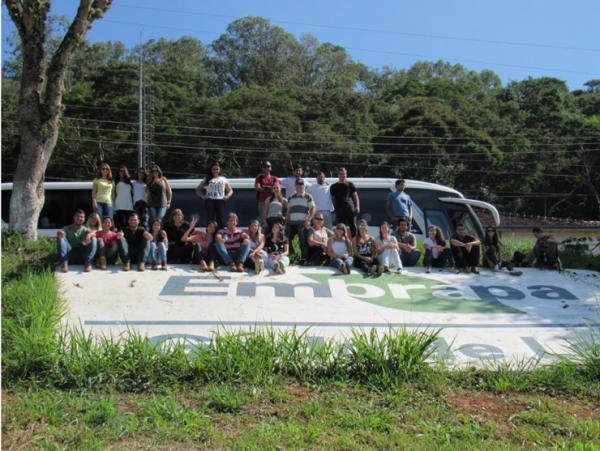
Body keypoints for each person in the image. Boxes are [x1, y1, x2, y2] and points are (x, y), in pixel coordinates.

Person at [196, 162, 233, 229]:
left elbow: (230, 190)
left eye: (217, 169)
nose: (215, 171)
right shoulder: (207, 179)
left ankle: (220, 235)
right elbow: (198, 189)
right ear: (211, 170)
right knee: (210, 219)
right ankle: (210, 235)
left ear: (219, 170)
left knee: (221, 219)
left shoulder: (223, 179)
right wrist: (203, 196)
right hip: (210, 200)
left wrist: (227, 196)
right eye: (213, 169)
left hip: (220, 200)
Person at [285, 178, 315, 261]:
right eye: (298, 184)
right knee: (287, 240)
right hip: (291, 223)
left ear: (304, 186)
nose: (300, 186)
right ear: (295, 186)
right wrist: (286, 222)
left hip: (303, 223)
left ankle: (304, 259)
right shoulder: (290, 197)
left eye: (302, 185)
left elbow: (313, 209)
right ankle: (292, 256)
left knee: (303, 241)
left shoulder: (308, 196)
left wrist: (309, 220)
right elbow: (288, 211)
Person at [330, 167, 360, 237]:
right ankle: (341, 244)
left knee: (353, 226)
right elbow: (330, 198)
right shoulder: (334, 186)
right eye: (341, 174)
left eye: (344, 174)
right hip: (339, 209)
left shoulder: (350, 184)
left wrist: (357, 206)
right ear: (338, 175)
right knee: (340, 228)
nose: (342, 175)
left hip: (350, 208)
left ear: (346, 174)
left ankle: (355, 244)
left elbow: (355, 196)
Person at [114, 165, 134, 230]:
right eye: (120, 171)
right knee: (121, 224)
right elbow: (114, 194)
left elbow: (133, 193)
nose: (121, 172)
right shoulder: (115, 182)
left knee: (129, 224)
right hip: (119, 205)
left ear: (126, 172)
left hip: (128, 205)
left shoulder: (130, 182)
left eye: (123, 171)